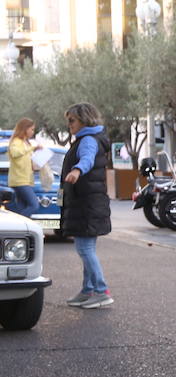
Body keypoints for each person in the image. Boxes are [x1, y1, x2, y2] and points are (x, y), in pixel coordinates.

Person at [60, 103, 114, 309]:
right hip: (88, 202)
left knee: (84, 248)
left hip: (87, 203)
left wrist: (77, 171)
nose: (69, 125)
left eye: (72, 120)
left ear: (84, 120)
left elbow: (87, 159)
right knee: (86, 247)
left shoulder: (89, 141)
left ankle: (101, 291)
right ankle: (87, 290)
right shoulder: (87, 139)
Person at [5, 118, 43, 217]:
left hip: (26, 179)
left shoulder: (26, 143)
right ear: (25, 129)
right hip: (19, 180)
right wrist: (32, 148)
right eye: (31, 129)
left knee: (22, 207)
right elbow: (15, 153)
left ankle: (18, 229)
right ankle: (19, 224)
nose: (32, 132)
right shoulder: (16, 141)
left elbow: (25, 159)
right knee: (34, 205)